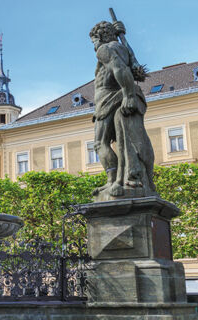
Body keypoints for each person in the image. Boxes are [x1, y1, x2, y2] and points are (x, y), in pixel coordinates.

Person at [89, 21, 155, 198]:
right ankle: (124, 176)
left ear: (99, 37)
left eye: (94, 39)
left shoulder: (105, 49)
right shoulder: (122, 48)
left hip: (108, 99)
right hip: (119, 96)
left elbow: (119, 69)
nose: (93, 44)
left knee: (99, 143)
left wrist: (129, 95)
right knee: (122, 139)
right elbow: (134, 67)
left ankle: (112, 179)